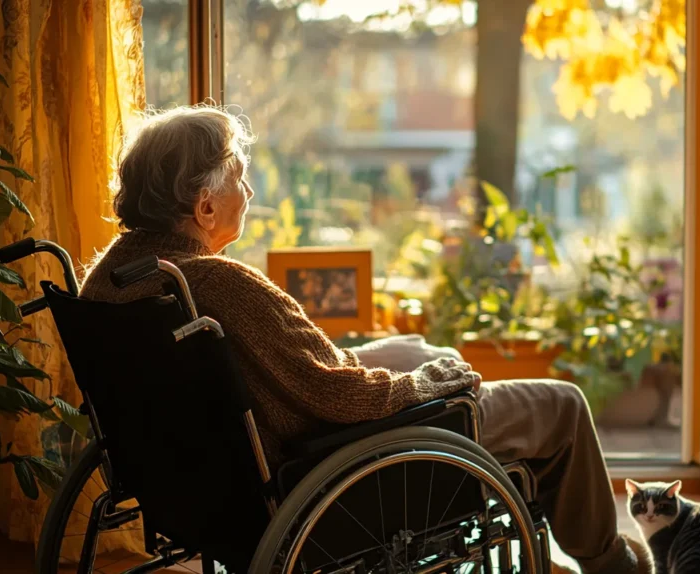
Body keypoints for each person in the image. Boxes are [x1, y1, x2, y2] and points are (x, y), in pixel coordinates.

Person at [80, 105, 643, 574]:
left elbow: (307, 376)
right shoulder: (217, 285)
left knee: (429, 351)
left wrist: (421, 369)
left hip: (210, 475)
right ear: (204, 207)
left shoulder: (109, 280)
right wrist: (420, 386)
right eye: (239, 176)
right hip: (329, 452)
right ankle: (610, 560)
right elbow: (335, 395)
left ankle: (536, 523)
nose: (248, 189)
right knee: (562, 405)